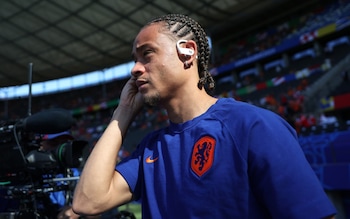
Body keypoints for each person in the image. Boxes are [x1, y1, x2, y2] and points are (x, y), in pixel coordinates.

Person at [72, 14, 337, 218]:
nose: (135, 69)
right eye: (134, 59)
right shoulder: (150, 148)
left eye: (147, 54)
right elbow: (88, 202)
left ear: (187, 52)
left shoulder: (253, 126)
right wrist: (123, 112)